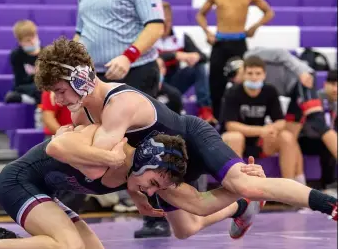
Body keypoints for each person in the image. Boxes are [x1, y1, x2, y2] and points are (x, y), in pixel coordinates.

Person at [34, 37, 338, 224]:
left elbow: (98, 166)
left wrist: (63, 141)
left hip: (191, 140)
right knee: (186, 227)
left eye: (60, 91)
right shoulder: (85, 108)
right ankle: (241, 206)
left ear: (81, 79)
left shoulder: (118, 104)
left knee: (247, 184)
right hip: (162, 159)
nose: (58, 100)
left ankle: (330, 204)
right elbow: (113, 160)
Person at [0, 126, 265, 249]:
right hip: (18, 183)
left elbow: (198, 205)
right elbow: (59, 144)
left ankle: (7, 243)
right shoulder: (106, 145)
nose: (150, 190)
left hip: (44, 195)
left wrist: (245, 188)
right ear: (142, 163)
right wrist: (74, 133)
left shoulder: (142, 172)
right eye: (151, 183)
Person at [74, 0, 168, 237]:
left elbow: (155, 25)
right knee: (89, 136)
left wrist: (129, 55)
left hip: (135, 69)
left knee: (143, 144)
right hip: (96, 77)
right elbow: (81, 32)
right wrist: (73, 65)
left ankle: (158, 215)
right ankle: (71, 207)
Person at [196, 0, 274, 120]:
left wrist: (254, 27)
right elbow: (200, 15)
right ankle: (216, 120)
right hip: (220, 43)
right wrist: (207, 33)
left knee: (242, 81)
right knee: (216, 84)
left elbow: (269, 12)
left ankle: (241, 119)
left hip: (239, 42)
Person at [221, 56, 305, 182]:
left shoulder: (270, 91)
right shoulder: (232, 92)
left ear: (264, 75)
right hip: (236, 140)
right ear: (243, 74)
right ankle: (238, 190)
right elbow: (230, 125)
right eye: (250, 73)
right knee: (235, 137)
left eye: (258, 73)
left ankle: (290, 187)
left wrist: (272, 129)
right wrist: (261, 130)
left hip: (261, 141)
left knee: (287, 137)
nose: (254, 77)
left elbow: (281, 121)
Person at [155, 1, 215, 124]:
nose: (165, 25)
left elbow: (203, 56)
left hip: (174, 82)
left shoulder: (181, 36)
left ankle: (205, 109)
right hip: (153, 82)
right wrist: (176, 55)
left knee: (200, 66)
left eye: (168, 21)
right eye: (161, 21)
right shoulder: (148, 37)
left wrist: (195, 56)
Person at [298, 70, 338, 192]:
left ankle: (330, 185)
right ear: (325, 84)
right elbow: (313, 125)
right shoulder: (316, 98)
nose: (335, 89)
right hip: (306, 139)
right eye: (332, 84)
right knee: (328, 142)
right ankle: (328, 185)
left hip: (328, 138)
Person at [4, 20, 41, 105]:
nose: (32, 41)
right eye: (28, 40)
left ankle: (29, 100)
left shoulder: (46, 53)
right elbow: (20, 81)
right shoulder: (16, 55)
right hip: (24, 86)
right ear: (20, 42)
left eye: (34, 37)